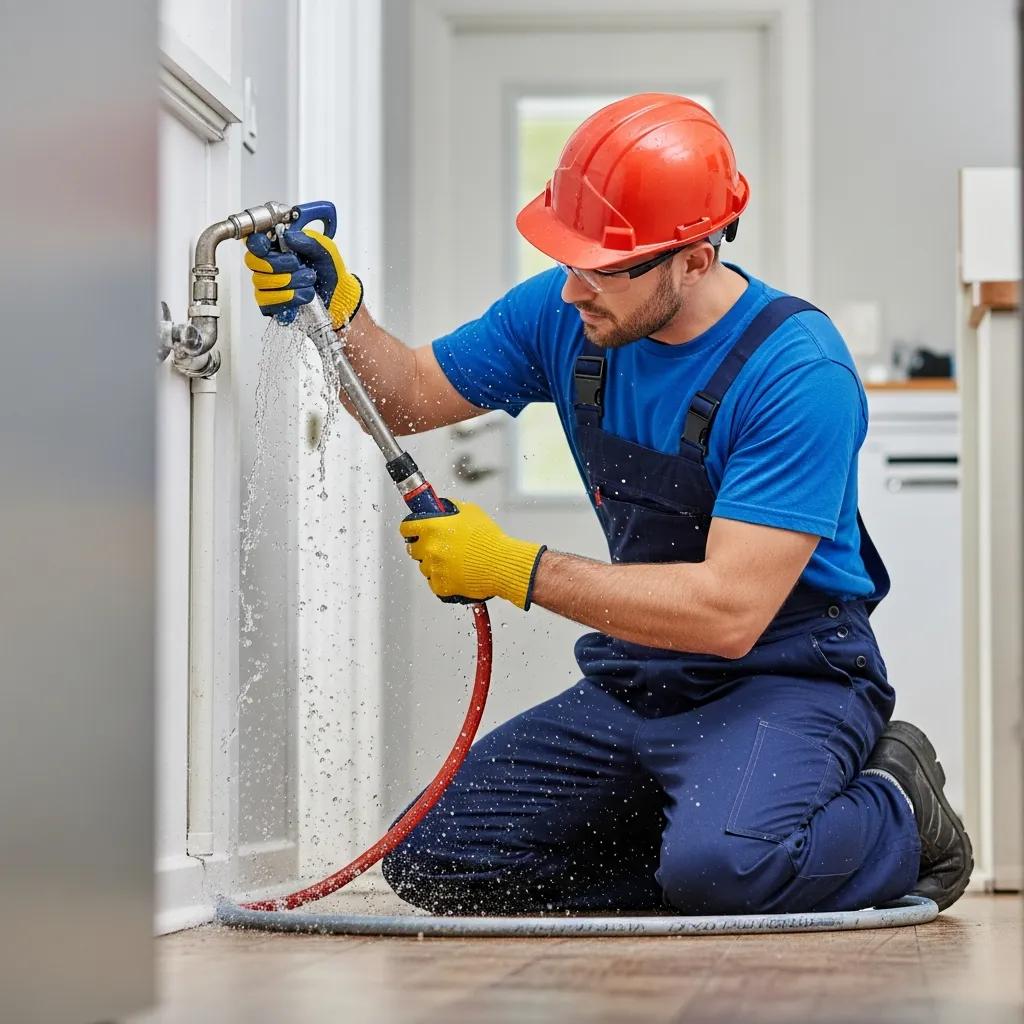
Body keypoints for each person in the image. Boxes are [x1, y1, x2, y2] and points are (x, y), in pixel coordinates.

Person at [245, 93, 972, 915]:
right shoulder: (566, 317)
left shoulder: (797, 373)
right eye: (566, 259)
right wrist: (339, 314)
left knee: (728, 870)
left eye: (601, 268)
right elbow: (409, 393)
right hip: (645, 671)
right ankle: (700, 850)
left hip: (786, 674)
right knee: (436, 861)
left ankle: (898, 807)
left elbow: (732, 611)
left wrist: (518, 569)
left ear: (694, 259)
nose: (570, 291)